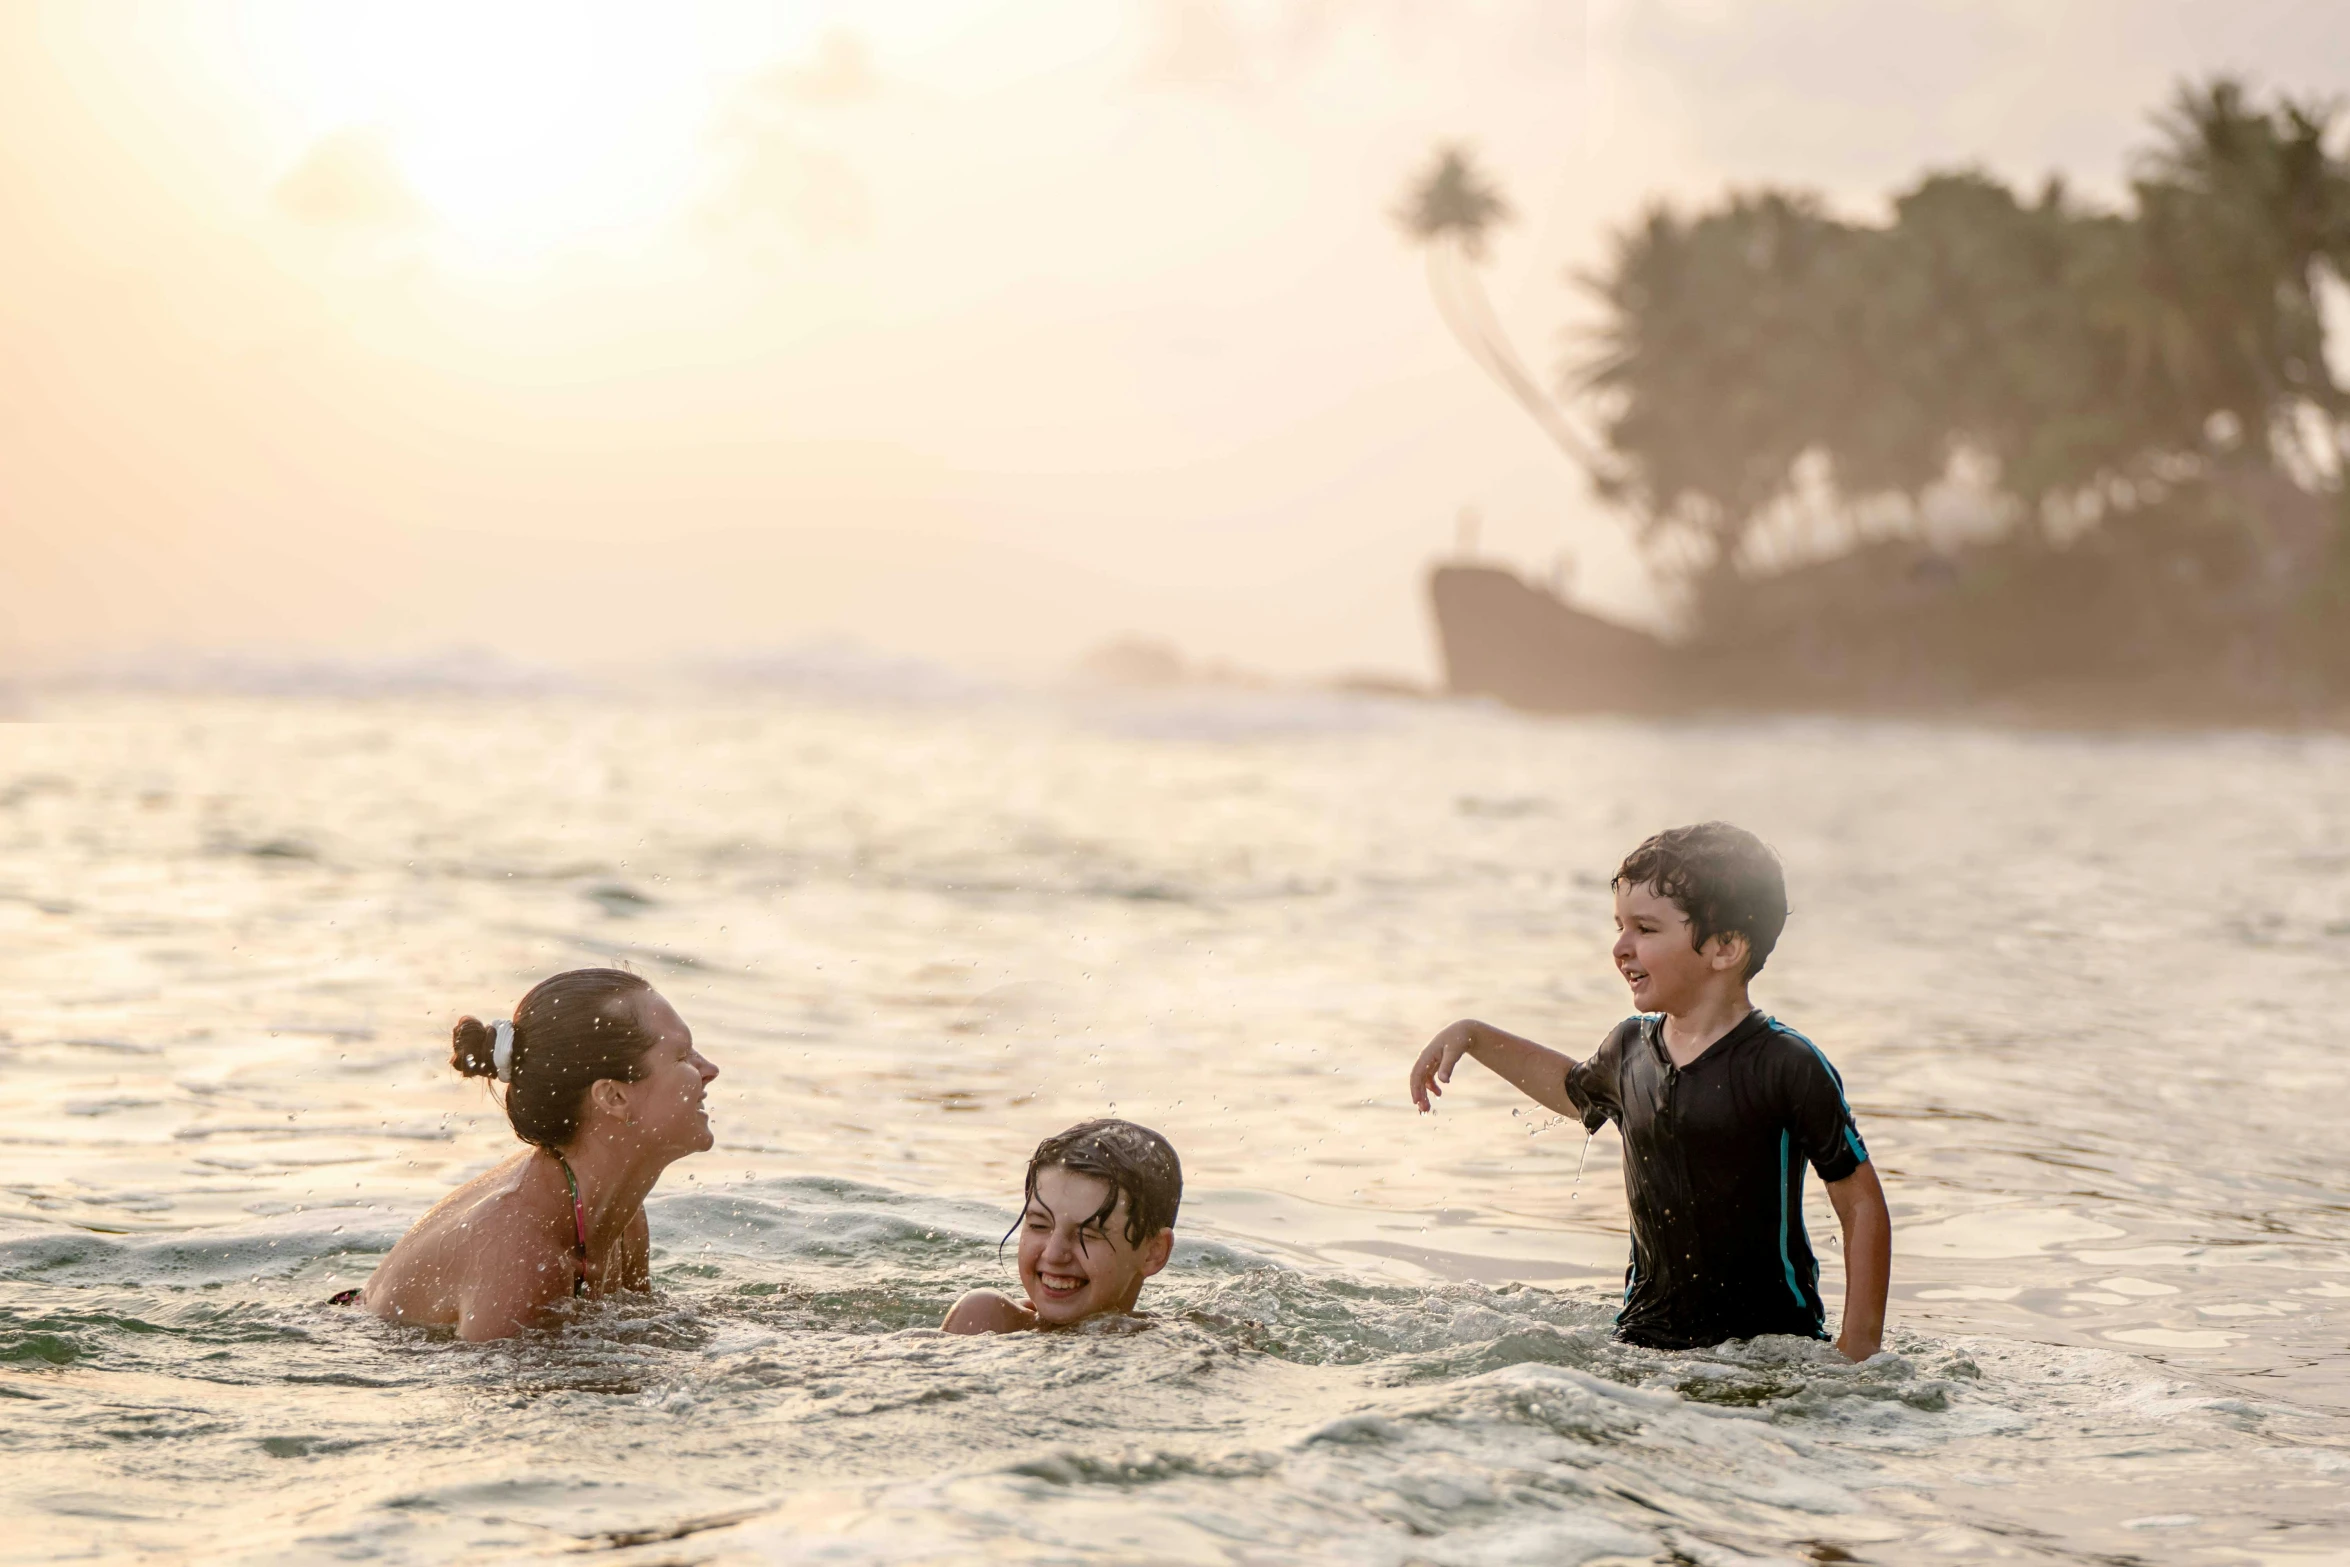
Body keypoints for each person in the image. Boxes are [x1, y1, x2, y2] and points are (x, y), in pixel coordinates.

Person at [1407, 822, 1892, 1359]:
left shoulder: (1785, 1064)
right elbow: (1573, 1092)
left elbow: (1861, 1202)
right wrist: (1475, 1036)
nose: (1621, 947)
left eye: (1645, 929)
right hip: (1642, 1342)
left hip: (1770, 1350)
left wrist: (1859, 1346)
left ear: (1726, 946)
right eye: (1620, 926)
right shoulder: (1629, 1048)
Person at [341, 968, 720, 1341]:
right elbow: (497, 1395)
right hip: (357, 1351)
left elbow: (639, 1335)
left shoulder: (621, 1212)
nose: (709, 1070)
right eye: (683, 1056)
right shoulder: (521, 1252)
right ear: (613, 1097)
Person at [943, 1119, 1182, 1334]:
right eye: (1038, 1225)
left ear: (1153, 1252)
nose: (1054, 1254)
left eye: (1088, 1234)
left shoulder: (1174, 1346)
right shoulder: (988, 1320)